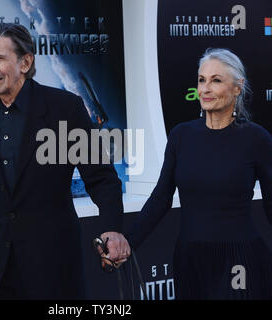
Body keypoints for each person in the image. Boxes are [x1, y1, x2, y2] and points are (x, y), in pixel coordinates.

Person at [0, 22, 126, 300]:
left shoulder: (65, 108)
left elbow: (101, 177)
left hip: (52, 268)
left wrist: (111, 227)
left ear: (25, 62)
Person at [101, 48, 272, 299]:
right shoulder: (181, 136)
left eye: (216, 80)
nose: (205, 89)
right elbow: (160, 199)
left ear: (237, 87)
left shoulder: (256, 138)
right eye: (202, 80)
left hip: (240, 262)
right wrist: (127, 244)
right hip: (190, 261)